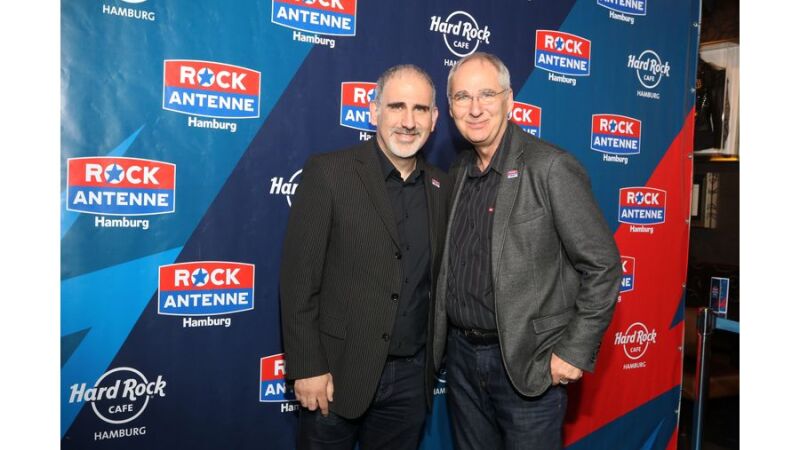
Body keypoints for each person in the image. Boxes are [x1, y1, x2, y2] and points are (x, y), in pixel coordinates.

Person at [432, 52, 622, 450]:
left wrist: (572, 351)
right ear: (450, 109)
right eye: (463, 97)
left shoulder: (550, 166)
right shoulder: (457, 174)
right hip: (463, 360)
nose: (476, 108)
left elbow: (603, 266)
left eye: (487, 94)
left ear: (510, 100)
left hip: (528, 362)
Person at [280, 64, 451, 450]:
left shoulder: (444, 186)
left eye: (420, 109)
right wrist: (307, 367)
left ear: (435, 119)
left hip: (411, 379)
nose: (408, 121)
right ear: (374, 112)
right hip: (335, 374)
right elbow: (298, 280)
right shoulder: (330, 172)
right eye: (396, 106)